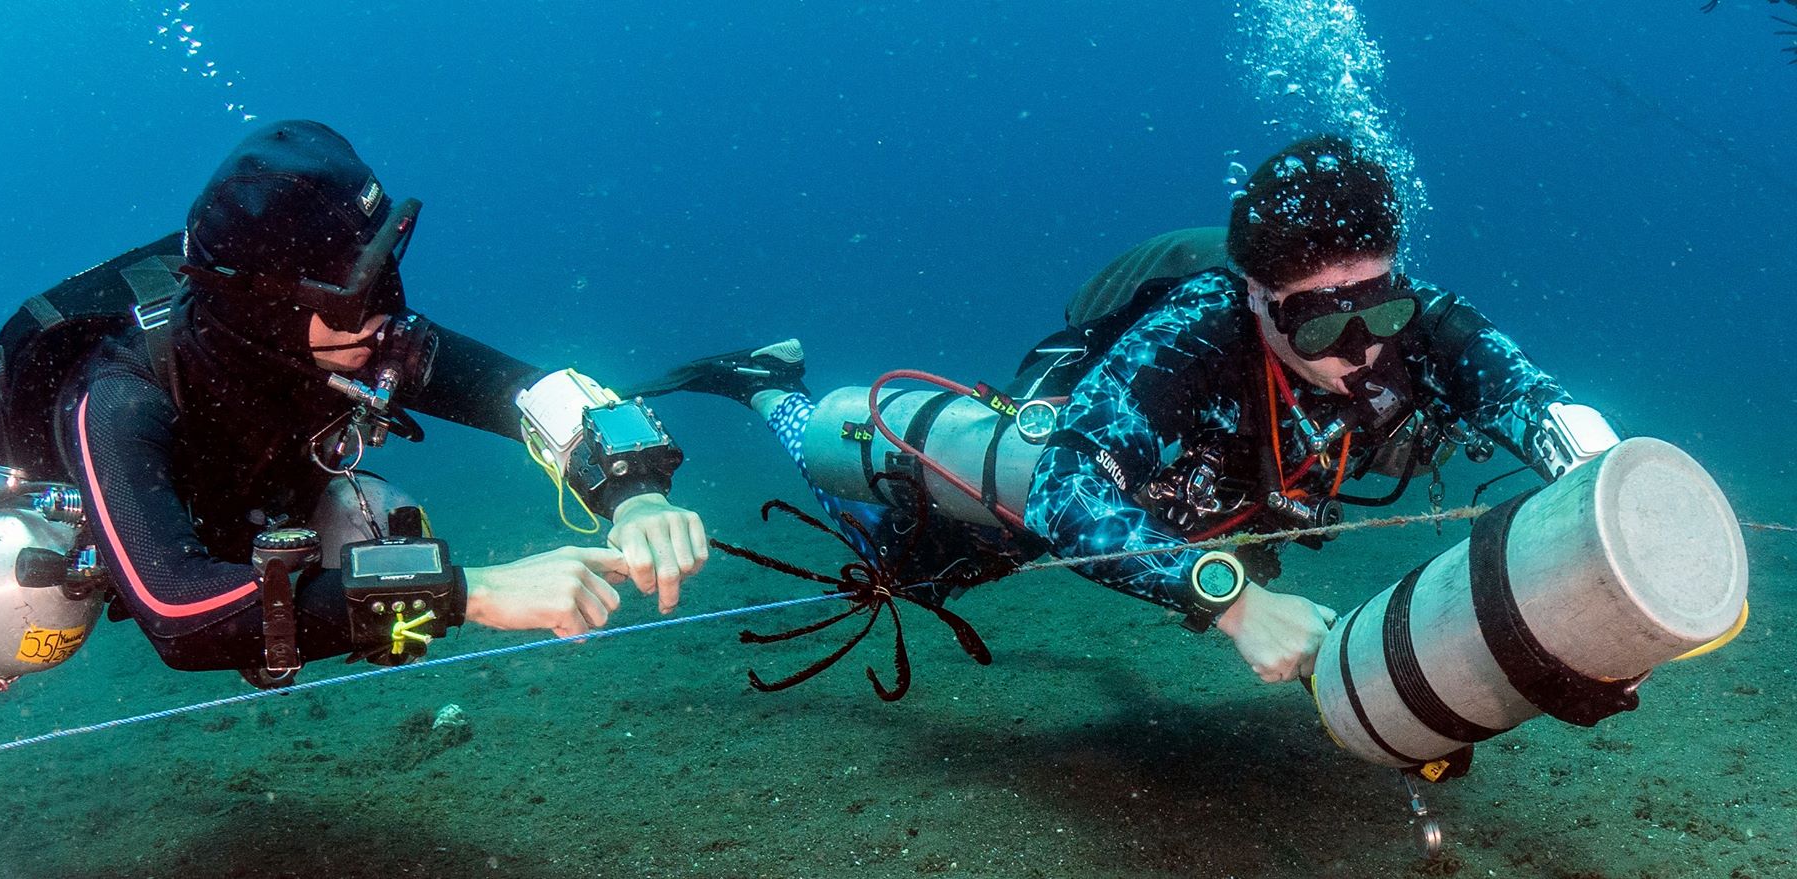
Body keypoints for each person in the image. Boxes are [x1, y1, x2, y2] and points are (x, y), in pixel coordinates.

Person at [634, 133, 1615, 685]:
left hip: (1227, 501)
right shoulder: (1191, 337)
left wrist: (1604, 490)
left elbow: (1532, 402)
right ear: (1256, 297)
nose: (1363, 345)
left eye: (1382, 303)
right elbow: (1067, 492)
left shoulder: (1419, 323)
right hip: (1121, 479)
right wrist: (1228, 601)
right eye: (1317, 321)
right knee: (897, 547)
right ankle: (768, 384)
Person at [0, 120, 709, 688]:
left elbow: (527, 390)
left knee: (373, 523)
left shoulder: (358, 332)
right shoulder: (116, 394)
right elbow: (177, 613)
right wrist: (469, 592)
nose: (386, 317)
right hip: (53, 503)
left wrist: (633, 488)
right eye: (354, 295)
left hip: (238, 492)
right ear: (264, 306)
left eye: (386, 275)